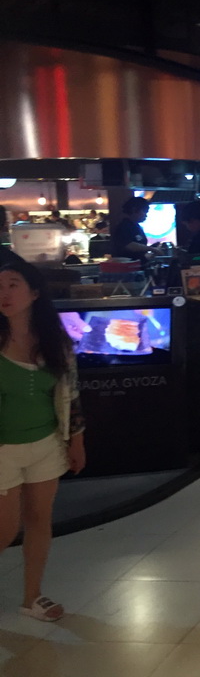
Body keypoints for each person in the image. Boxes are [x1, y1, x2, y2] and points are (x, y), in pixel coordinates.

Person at [0, 262, 87, 622]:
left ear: (34, 292)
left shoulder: (56, 340)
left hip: (46, 442)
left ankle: (32, 597)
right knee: (4, 529)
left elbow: (71, 395)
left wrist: (76, 441)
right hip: (3, 449)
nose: (3, 294)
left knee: (39, 520)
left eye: (12, 284)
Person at [111, 196, 152, 262]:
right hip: (127, 267)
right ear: (134, 210)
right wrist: (152, 249)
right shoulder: (124, 226)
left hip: (138, 265)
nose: (146, 215)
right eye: (144, 212)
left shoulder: (137, 226)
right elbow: (129, 245)